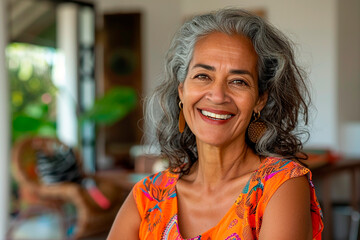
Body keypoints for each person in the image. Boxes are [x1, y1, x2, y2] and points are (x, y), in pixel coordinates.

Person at [108, 8, 323, 240]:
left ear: (260, 99)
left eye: (238, 81)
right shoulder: (148, 197)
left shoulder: (279, 186)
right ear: (182, 90)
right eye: (203, 76)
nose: (218, 95)